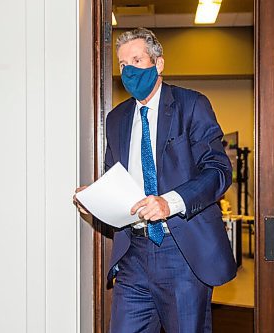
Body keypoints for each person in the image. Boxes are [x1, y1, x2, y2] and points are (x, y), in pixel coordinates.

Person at [75, 27, 236, 333]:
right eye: (123, 65)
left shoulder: (191, 105)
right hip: (133, 255)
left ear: (158, 63)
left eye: (137, 59)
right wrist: (93, 200)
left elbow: (217, 170)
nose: (130, 70)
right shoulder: (117, 119)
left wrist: (169, 202)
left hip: (182, 252)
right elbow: (116, 179)